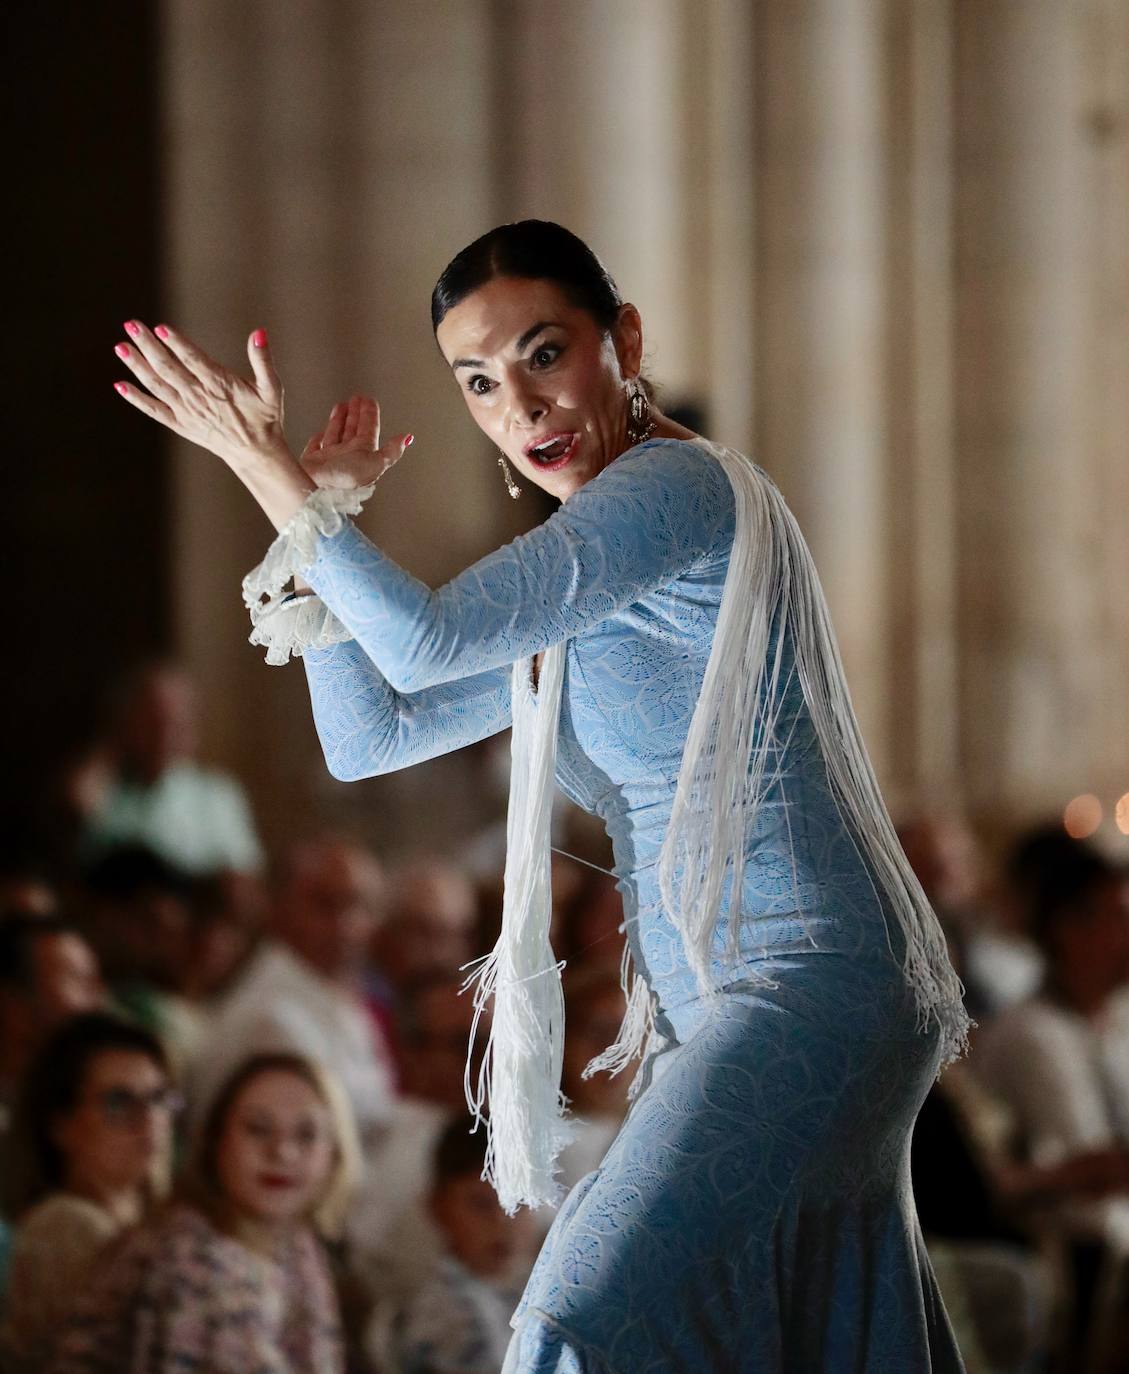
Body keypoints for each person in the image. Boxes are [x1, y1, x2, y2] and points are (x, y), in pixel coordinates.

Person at [112, 219, 971, 1370]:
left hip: (802, 978)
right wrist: (306, 512)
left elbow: (419, 641)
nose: (519, 405)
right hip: (739, 994)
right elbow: (376, 733)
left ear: (622, 339)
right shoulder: (586, 584)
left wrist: (273, 477)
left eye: (543, 353)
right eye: (478, 380)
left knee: (576, 1317)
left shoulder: (675, 491)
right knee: (802, 1335)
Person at [48, 1050, 358, 1374]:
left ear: (334, 1156)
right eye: (258, 1129)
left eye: (306, 1135)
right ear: (216, 1142)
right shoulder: (188, 1258)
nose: (281, 1152)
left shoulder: (299, 1248)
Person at [0, 1012, 175, 1371]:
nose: (149, 1119)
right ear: (61, 1126)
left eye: (159, 1098)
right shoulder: (65, 1226)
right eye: (119, 1102)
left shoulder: (162, 1219)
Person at [70, 660, 264, 878]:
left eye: (175, 722)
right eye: (151, 721)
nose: (164, 735)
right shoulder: (104, 792)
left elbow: (244, 880)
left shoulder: (217, 796)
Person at [384, 1121, 534, 1374]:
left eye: (519, 1203)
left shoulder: (538, 1290)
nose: (502, 1222)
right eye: (481, 1204)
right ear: (438, 1208)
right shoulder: (440, 1316)